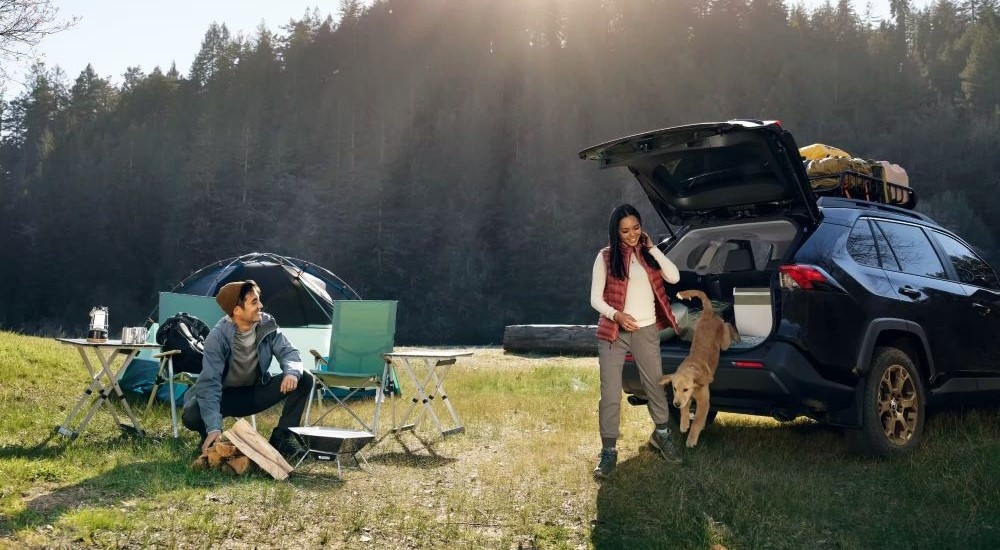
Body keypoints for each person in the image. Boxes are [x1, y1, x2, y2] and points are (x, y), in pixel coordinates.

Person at [590, 204, 682, 479]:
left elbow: (674, 277)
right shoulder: (605, 257)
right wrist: (616, 314)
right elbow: (595, 298)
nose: (631, 235)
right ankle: (608, 452)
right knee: (610, 393)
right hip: (613, 334)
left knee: (654, 384)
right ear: (616, 233)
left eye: (636, 228)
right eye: (625, 231)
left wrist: (652, 248)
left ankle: (662, 436)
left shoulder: (649, 256)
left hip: (646, 331)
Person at [181, 280, 314, 457]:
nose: (260, 305)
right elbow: (210, 384)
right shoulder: (217, 337)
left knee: (304, 377)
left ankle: (281, 438)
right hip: (225, 398)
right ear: (236, 311)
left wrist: (291, 372)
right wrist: (214, 426)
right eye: (254, 302)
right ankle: (210, 435)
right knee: (191, 415)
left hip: (255, 393)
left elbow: (288, 352)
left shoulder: (266, 324)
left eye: (259, 300)